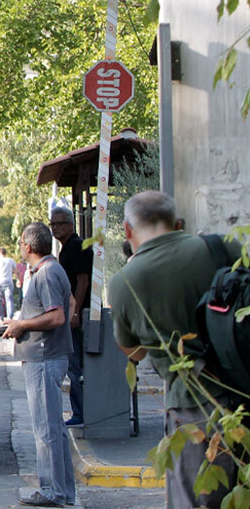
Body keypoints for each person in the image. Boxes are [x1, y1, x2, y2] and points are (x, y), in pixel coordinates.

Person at [109, 191, 240, 509]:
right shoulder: (223, 248)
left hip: (192, 412)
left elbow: (133, 352)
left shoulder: (125, 282)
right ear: (178, 222)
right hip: (243, 397)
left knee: (196, 500)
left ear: (127, 230)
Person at [3, 222, 75, 507]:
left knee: (46, 429)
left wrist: (22, 324)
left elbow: (57, 317)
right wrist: (21, 324)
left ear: (28, 245)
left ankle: (52, 491)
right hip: (49, 356)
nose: (21, 248)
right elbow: (67, 306)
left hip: (44, 359)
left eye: (21, 243)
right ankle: (64, 491)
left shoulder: (45, 274)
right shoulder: (52, 270)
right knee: (54, 428)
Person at [49, 206, 92, 428]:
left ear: (70, 225)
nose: (54, 228)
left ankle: (82, 412)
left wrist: (75, 312)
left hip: (78, 315)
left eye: (59, 224)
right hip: (73, 313)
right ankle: (80, 411)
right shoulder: (66, 248)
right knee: (74, 365)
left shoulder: (76, 246)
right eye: (52, 224)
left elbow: (83, 281)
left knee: (76, 366)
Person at [0, 246, 20, 319]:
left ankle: (0, 317)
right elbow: (16, 272)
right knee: (9, 300)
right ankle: (9, 317)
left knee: (0, 301)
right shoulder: (11, 261)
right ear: (5, 253)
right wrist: (18, 280)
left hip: (0, 281)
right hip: (9, 281)